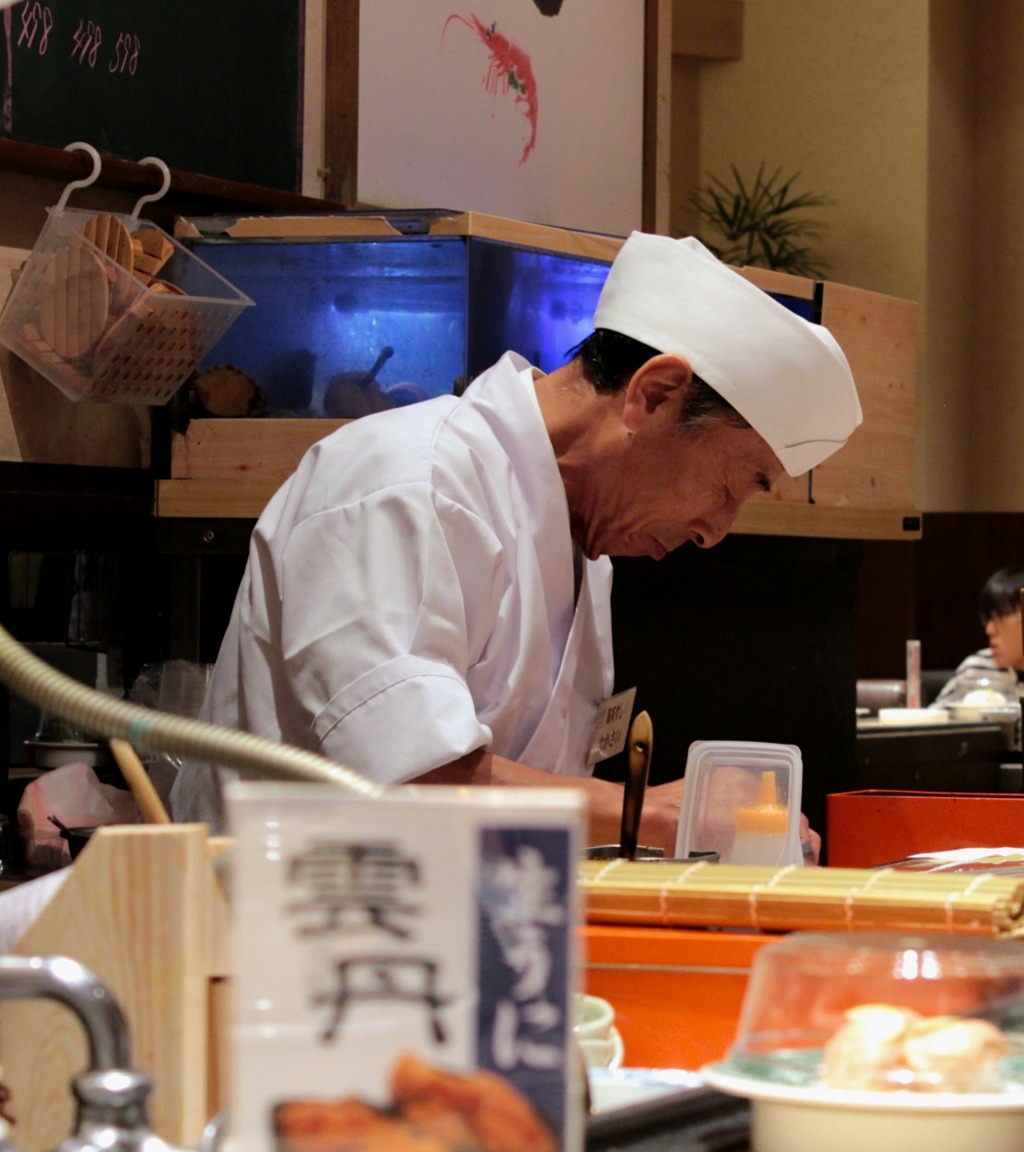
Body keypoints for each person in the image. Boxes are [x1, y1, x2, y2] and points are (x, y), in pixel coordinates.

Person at [170, 233, 863, 857]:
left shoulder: (582, 544)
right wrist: (651, 813)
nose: (716, 530)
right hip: (276, 954)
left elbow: (536, 799)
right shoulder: (410, 479)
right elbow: (409, 779)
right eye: (734, 483)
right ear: (653, 395)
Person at [931, 565, 1024, 706]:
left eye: (1000, 617)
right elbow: (935, 721)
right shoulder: (976, 669)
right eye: (989, 618)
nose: (989, 630)